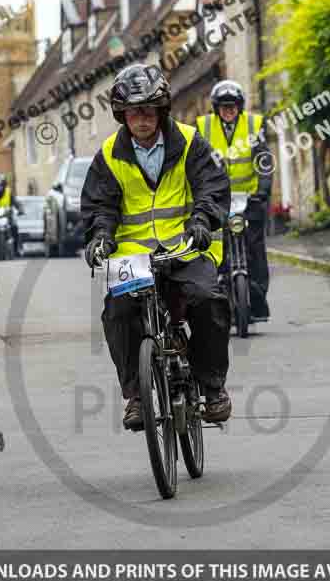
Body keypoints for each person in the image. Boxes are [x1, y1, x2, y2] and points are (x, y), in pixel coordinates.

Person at [81, 64, 232, 431]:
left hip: (186, 248)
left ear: (161, 110)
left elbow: (212, 187)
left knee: (208, 300)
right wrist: (100, 236)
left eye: (149, 110)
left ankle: (212, 389)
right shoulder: (108, 155)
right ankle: (135, 395)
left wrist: (202, 221)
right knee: (118, 312)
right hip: (133, 257)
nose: (142, 119)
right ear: (123, 115)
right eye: (134, 112)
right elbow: (100, 206)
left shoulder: (190, 141)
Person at [196, 80, 272, 321]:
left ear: (240, 107)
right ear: (216, 108)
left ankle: (258, 300)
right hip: (218, 202)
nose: (229, 111)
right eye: (224, 107)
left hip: (249, 200)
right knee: (213, 250)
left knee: (255, 250)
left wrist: (263, 189)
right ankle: (216, 300)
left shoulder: (253, 125)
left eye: (233, 106)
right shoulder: (203, 127)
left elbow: (264, 162)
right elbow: (196, 164)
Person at [0, 173, 21, 252]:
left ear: (4, 185)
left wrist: (20, 209)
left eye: (0, 186)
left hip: (8, 215)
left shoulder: (8, 192)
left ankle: (17, 248)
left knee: (15, 227)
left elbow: (15, 202)